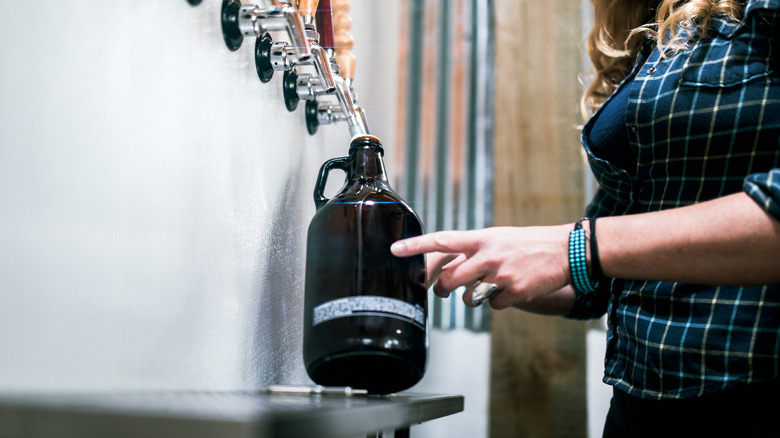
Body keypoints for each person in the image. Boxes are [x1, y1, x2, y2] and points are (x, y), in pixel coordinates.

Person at [391, 0, 780, 436]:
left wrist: (574, 246)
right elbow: (599, 275)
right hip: (642, 397)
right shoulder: (656, 27)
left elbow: (593, 248)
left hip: (751, 388)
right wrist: (480, 261)